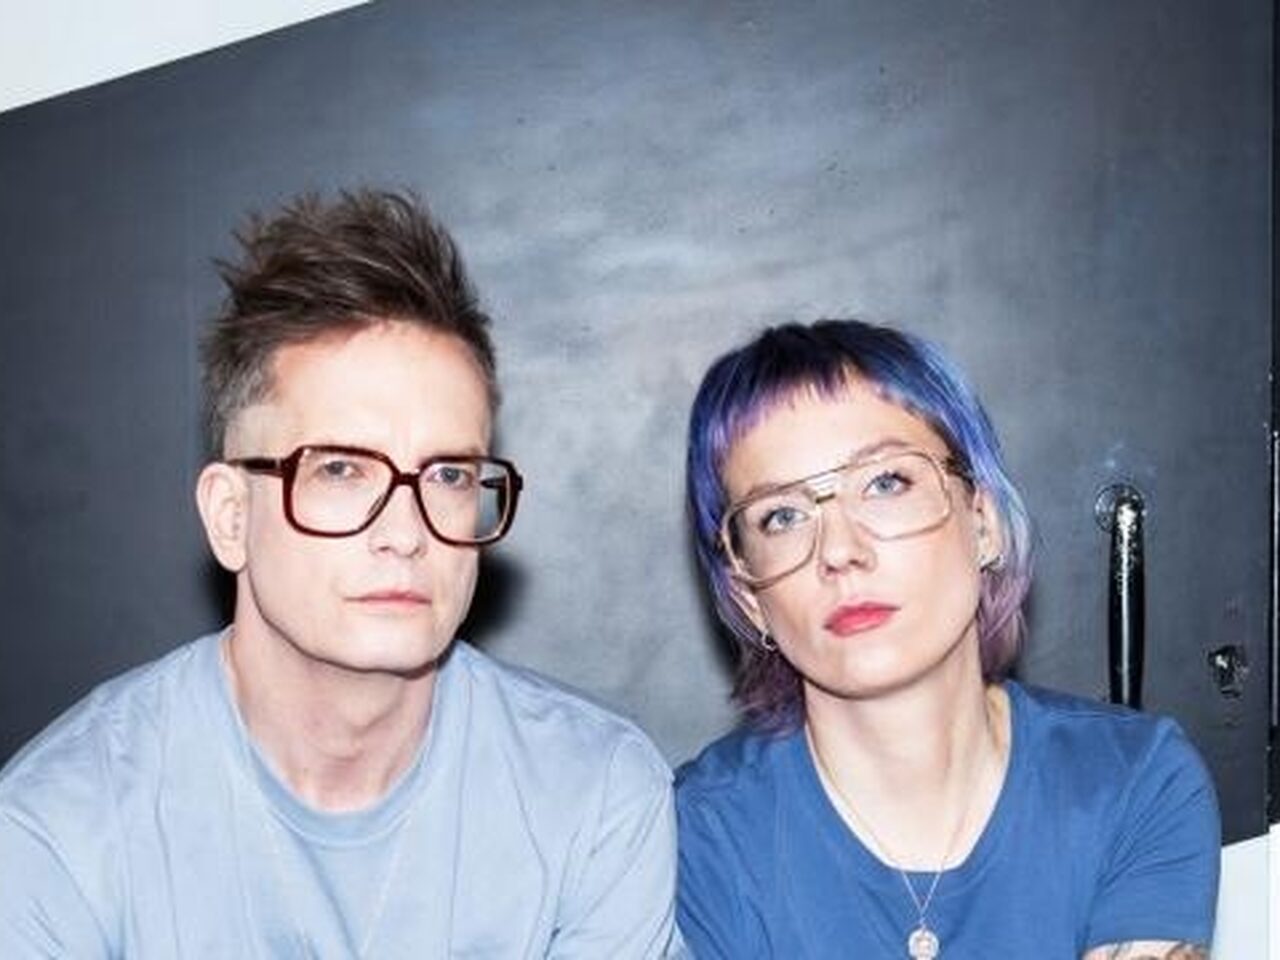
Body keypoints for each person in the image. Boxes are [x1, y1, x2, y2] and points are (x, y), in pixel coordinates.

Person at [0, 189, 679, 957]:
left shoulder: (593, 795)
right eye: (340, 470)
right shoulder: (60, 829)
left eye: (449, 476)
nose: (405, 532)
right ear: (230, 516)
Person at [676, 319, 1219, 958]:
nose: (840, 551)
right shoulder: (700, 834)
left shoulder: (1133, 781)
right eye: (782, 516)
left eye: (885, 483)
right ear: (749, 596)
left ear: (983, 524)